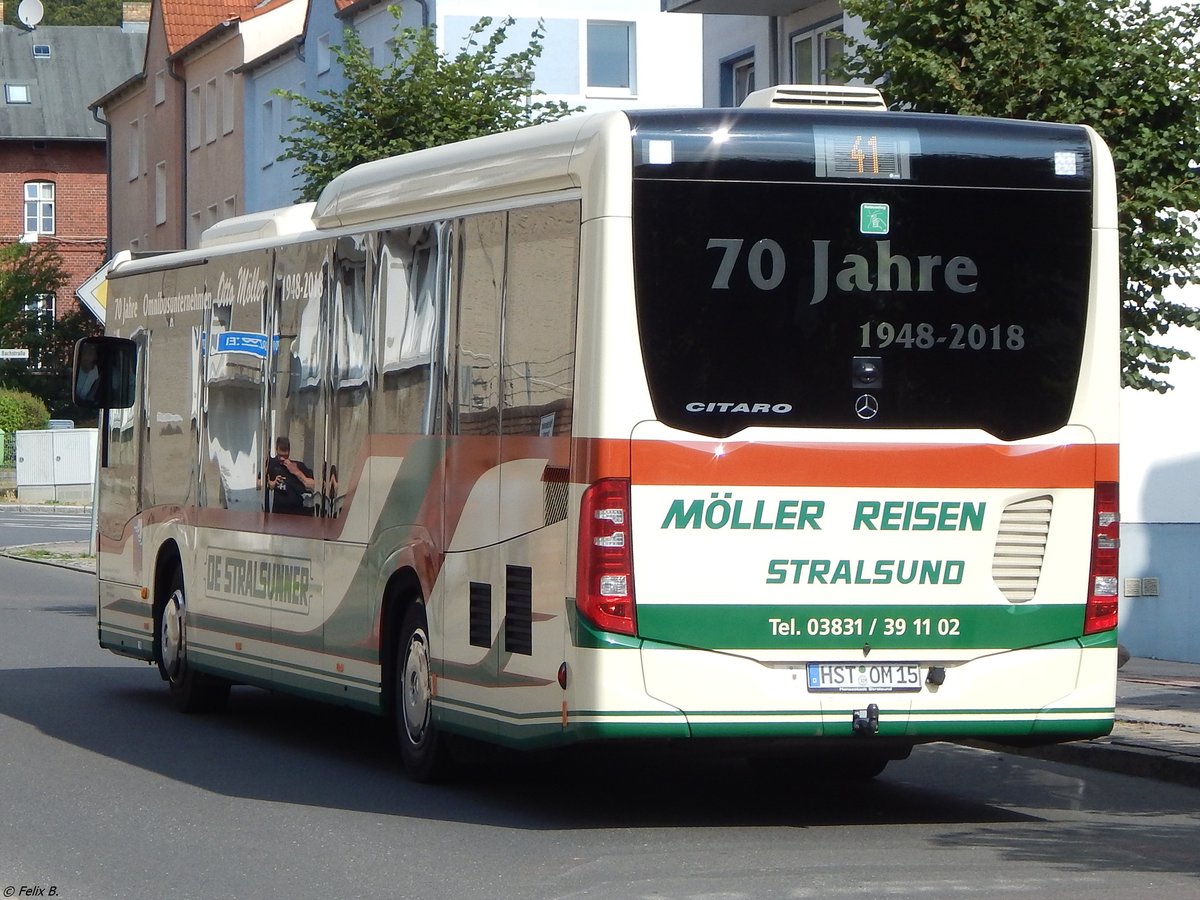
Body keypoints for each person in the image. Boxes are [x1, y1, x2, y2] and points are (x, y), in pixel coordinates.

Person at [265, 436, 315, 515]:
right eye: (279, 455)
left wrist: (297, 472)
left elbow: (313, 485)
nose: (282, 459)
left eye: (285, 456)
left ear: (289, 451)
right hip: (278, 514)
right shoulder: (272, 465)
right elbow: (260, 483)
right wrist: (272, 484)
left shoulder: (299, 466)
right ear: (276, 450)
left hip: (297, 513)